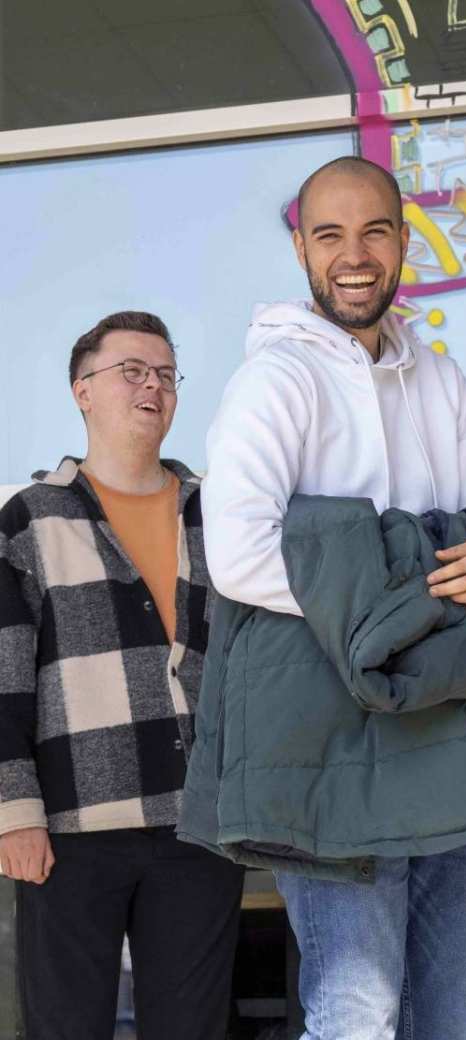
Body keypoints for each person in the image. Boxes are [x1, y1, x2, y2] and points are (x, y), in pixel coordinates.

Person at [198, 156, 466, 1040]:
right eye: (330, 236)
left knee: (452, 1015)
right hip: (321, 736)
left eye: (374, 231)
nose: (354, 255)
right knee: (356, 1013)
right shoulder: (274, 381)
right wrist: (402, 602)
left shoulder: (441, 380)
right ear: (302, 251)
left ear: (402, 239)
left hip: (442, 721)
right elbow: (235, 555)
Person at [0, 312, 244, 1040]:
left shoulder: (219, 512)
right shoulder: (30, 520)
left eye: (167, 375)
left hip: (201, 828)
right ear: (82, 390)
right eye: (132, 370)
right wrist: (15, 812)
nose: (154, 386)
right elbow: (5, 676)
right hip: (73, 831)